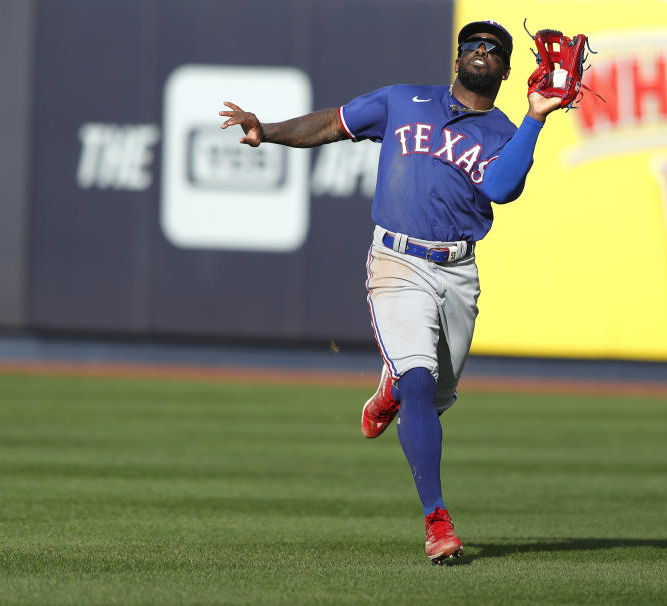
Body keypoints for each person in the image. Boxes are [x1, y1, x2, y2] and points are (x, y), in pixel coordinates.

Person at [220, 20, 563, 563]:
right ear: (456, 59)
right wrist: (269, 131)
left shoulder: (503, 130)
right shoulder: (403, 100)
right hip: (397, 260)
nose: (481, 51)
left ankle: (391, 390)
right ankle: (437, 520)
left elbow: (500, 188)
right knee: (422, 382)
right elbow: (332, 124)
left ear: (506, 70)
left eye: (494, 49)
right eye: (472, 44)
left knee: (436, 395)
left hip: (458, 272)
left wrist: (535, 120)